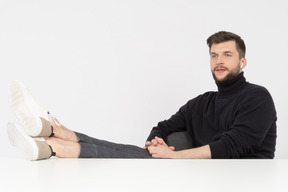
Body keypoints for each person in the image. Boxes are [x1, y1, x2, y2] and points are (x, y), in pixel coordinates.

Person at [7, 31, 277, 160]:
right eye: (214, 55)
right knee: (140, 155)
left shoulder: (257, 98)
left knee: (143, 159)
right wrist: (155, 143)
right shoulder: (202, 102)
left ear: (242, 62)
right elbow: (163, 126)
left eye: (227, 55)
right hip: (201, 175)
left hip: (243, 180)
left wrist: (172, 157)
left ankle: (51, 135)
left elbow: (231, 147)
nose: (219, 61)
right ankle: (50, 137)